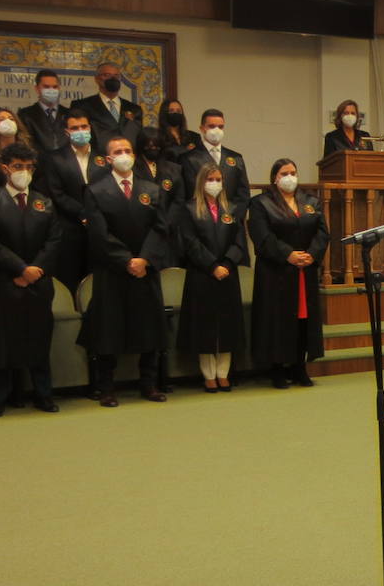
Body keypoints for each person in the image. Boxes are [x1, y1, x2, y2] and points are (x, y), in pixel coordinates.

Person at [78, 136, 171, 407]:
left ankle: (149, 384)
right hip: (113, 270)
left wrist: (144, 260)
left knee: (149, 327)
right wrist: (127, 260)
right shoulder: (96, 191)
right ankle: (106, 387)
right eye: (117, 151)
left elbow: (161, 228)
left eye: (127, 150)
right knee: (110, 329)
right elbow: (98, 233)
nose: (124, 155)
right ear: (108, 159)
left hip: (146, 268)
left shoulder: (151, 189)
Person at [0, 143, 62, 418]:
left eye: (28, 167)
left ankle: (43, 394)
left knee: (39, 338)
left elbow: (55, 240)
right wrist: (20, 269)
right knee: (2, 341)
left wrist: (35, 269)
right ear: (5, 169)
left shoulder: (44, 202)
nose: (24, 172)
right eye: (18, 167)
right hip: (4, 283)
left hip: (38, 282)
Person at [248, 158, 327, 389]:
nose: (290, 177)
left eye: (293, 172)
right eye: (284, 173)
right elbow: (262, 236)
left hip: (305, 272)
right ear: (275, 177)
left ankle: (299, 367)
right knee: (278, 320)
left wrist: (311, 254)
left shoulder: (311, 201)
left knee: (303, 319)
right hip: (277, 272)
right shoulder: (261, 203)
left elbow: (322, 232)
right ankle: (278, 369)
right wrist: (288, 255)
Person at [174, 163, 249, 393]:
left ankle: (223, 373)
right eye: (210, 179)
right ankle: (208, 374)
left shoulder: (232, 209)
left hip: (228, 273)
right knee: (204, 324)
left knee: (227, 323)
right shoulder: (188, 209)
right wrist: (212, 265)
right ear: (201, 182)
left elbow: (239, 241)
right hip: (202, 274)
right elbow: (190, 242)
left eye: (218, 179)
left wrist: (226, 263)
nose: (215, 183)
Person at [35, 109, 111, 296]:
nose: (80, 131)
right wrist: (82, 213)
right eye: (75, 128)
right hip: (69, 227)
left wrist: (94, 216)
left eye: (84, 126)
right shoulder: (54, 158)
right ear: (67, 132)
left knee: (98, 280)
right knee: (71, 278)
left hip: (99, 228)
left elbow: (109, 190)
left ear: (90, 128)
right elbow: (56, 193)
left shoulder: (103, 158)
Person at [178, 109, 250, 210]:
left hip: (231, 217)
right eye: (211, 126)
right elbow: (188, 193)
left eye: (220, 127)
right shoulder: (188, 158)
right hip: (200, 216)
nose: (217, 130)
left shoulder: (236, 158)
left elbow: (243, 193)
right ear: (202, 128)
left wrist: (234, 217)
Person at [69, 62, 144, 153]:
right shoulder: (82, 106)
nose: (112, 78)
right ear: (97, 79)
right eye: (106, 75)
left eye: (116, 76)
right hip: (98, 161)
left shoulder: (134, 109)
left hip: (130, 161)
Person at [17, 69, 69, 153]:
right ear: (37, 89)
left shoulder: (68, 113)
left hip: (66, 163)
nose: (51, 90)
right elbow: (25, 145)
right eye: (46, 87)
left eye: (55, 87)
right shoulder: (26, 115)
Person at [156, 98, 201, 163]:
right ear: (164, 114)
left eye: (179, 111)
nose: (175, 113)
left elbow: (200, 157)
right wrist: (185, 150)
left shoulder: (194, 136)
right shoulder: (157, 137)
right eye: (171, 111)